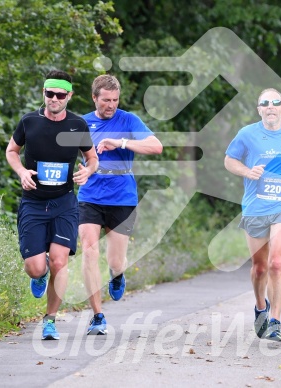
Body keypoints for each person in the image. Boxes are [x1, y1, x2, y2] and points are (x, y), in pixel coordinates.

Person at [6, 70, 98, 340]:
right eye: (50, 93)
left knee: (59, 262)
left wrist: (87, 172)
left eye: (60, 94)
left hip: (64, 203)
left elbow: (91, 158)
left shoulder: (77, 125)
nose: (54, 99)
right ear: (43, 93)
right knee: (36, 267)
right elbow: (12, 151)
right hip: (34, 203)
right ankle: (38, 275)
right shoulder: (29, 122)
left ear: (69, 96)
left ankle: (49, 320)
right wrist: (22, 172)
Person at [224, 88, 281, 342]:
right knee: (260, 267)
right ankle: (260, 307)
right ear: (259, 109)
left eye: (276, 103)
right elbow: (229, 160)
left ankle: (275, 320)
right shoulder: (247, 134)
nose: (271, 106)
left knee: (276, 263)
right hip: (255, 207)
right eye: (265, 103)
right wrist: (246, 171)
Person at [78, 74, 163, 335]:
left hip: (122, 197)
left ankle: (117, 275)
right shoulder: (81, 123)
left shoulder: (128, 120)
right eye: (106, 100)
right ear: (95, 98)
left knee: (115, 261)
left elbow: (156, 147)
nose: (111, 105)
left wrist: (121, 142)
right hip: (90, 195)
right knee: (89, 252)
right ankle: (98, 316)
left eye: (115, 100)